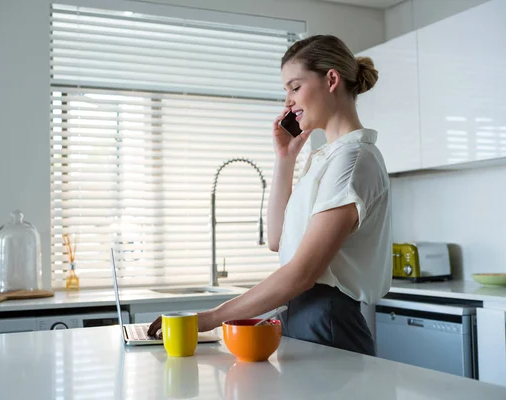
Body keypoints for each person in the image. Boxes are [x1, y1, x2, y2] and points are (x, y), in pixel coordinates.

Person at [148, 34, 392, 356]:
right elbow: (277, 240)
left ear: (331, 79)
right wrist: (285, 158)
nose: (287, 103)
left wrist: (209, 318)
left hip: (327, 319)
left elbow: (301, 273)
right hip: (303, 315)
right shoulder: (327, 158)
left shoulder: (353, 160)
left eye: (295, 87)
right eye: (286, 91)